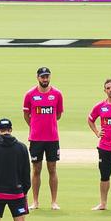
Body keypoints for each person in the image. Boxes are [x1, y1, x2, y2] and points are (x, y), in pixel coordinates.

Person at [23, 67, 64, 210]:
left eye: (47, 76)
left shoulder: (57, 94)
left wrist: (47, 124)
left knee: (52, 169)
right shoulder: (30, 95)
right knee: (36, 169)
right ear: (38, 77)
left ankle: (54, 201)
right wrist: (35, 126)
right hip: (36, 138)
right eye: (42, 77)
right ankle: (35, 201)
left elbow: (58, 115)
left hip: (52, 138)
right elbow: (26, 115)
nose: (45, 79)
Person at [87, 79, 111, 211]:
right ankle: (103, 203)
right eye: (108, 88)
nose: (110, 90)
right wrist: (97, 132)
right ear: (105, 90)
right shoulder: (100, 106)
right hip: (104, 147)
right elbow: (90, 119)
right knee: (104, 175)